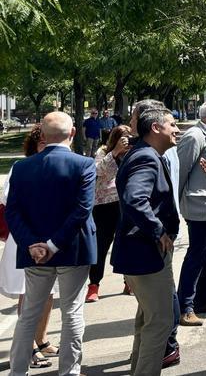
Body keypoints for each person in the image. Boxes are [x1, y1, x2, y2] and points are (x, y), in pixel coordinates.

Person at [5, 112, 98, 376]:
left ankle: (18, 371)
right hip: (73, 248)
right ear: (72, 134)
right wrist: (53, 244)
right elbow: (82, 209)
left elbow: (13, 212)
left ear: (43, 137)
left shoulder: (21, 168)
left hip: (35, 254)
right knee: (72, 313)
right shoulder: (84, 164)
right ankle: (69, 372)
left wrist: (33, 244)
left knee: (28, 314)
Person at [112, 106, 181, 376]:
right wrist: (158, 231)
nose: (177, 129)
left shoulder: (146, 154)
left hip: (142, 254)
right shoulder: (146, 158)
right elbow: (134, 199)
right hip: (146, 254)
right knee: (161, 322)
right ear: (155, 128)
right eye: (172, 124)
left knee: (147, 321)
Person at [1, 124, 62, 369]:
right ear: (34, 145)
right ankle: (29, 348)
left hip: (51, 240)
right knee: (28, 294)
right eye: (43, 143)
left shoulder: (59, 165)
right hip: (26, 239)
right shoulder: (21, 168)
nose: (48, 148)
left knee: (48, 294)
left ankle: (42, 339)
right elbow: (9, 203)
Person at [176, 99, 206, 326]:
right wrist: (175, 207)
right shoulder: (194, 136)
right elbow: (180, 172)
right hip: (198, 208)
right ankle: (185, 306)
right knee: (196, 256)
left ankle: (201, 298)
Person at [88, 124, 134, 303]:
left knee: (126, 244)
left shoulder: (134, 153)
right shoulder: (103, 152)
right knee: (100, 246)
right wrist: (115, 152)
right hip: (104, 205)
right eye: (123, 138)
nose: (126, 141)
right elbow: (98, 172)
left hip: (125, 204)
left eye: (129, 137)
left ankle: (129, 281)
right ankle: (94, 285)